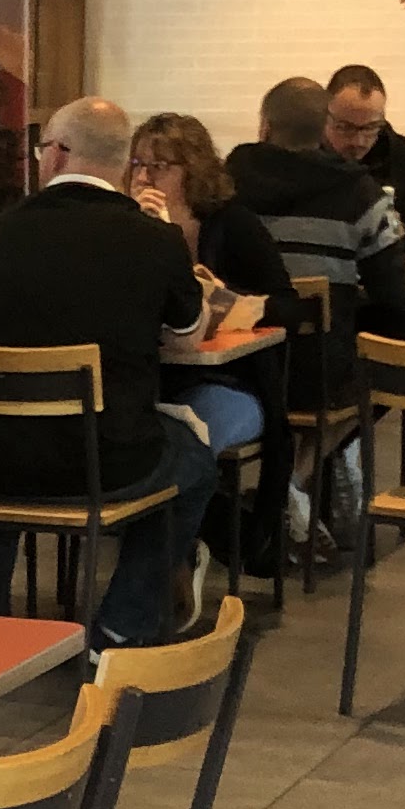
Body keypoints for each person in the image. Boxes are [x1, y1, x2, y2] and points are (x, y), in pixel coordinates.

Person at [0, 97, 216, 652]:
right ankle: (120, 623)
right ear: (122, 163)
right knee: (195, 462)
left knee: (0, 447)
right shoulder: (154, 239)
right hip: (104, 463)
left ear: (58, 154)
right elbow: (187, 335)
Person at [126, 110, 288, 581]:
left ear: (192, 170)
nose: (143, 177)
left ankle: (171, 566)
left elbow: (289, 304)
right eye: (137, 164)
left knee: (187, 444)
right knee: (123, 444)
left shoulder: (233, 225)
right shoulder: (125, 228)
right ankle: (186, 548)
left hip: (229, 380)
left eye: (159, 167)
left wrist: (233, 303)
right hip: (151, 379)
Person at [224, 76, 405, 338]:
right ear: (324, 130)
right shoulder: (362, 193)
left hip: (241, 346)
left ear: (265, 127)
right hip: (327, 349)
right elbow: (391, 290)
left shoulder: (225, 185)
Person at [323, 62, 405, 277]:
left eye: (370, 128)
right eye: (345, 127)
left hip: (388, 288)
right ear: (325, 115)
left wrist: (399, 231)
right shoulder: (307, 153)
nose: (358, 141)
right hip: (322, 285)